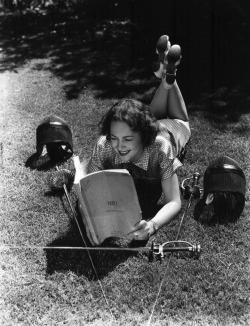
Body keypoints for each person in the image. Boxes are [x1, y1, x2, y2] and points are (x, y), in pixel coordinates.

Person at [81, 35, 191, 244]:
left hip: (171, 129)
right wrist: (89, 220)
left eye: (127, 139)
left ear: (143, 136)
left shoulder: (161, 148)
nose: (119, 146)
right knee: (156, 104)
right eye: (114, 137)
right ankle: (166, 75)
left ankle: (169, 75)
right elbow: (87, 191)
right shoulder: (104, 145)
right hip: (148, 120)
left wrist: (152, 225)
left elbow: (174, 201)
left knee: (181, 118)